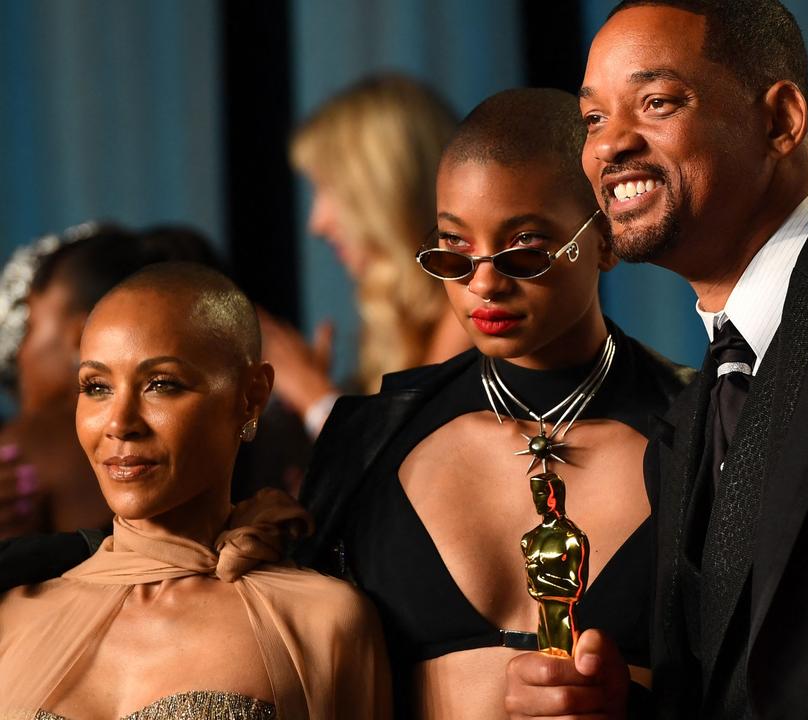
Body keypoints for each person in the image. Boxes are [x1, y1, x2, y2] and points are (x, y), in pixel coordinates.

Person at [507, 2, 808, 718]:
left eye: (656, 102)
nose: (610, 146)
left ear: (779, 120)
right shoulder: (687, 417)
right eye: (592, 119)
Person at [296, 88, 690, 719]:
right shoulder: (369, 439)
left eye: (525, 249)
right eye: (454, 250)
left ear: (607, 241)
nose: (483, 282)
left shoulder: (705, 432)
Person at [0, 262, 389, 718]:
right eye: (97, 387)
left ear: (251, 397)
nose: (120, 423)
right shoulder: (14, 614)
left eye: (161, 384)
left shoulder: (324, 622)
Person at [271, 72, 472, 436]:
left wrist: (311, 395)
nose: (316, 223)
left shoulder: (476, 311)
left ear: (386, 191)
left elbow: (402, 469)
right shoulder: (412, 316)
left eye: (329, 189)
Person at [0, 223, 226, 539]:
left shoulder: (24, 449)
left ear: (82, 335)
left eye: (31, 325)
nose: (20, 353)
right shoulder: (219, 431)